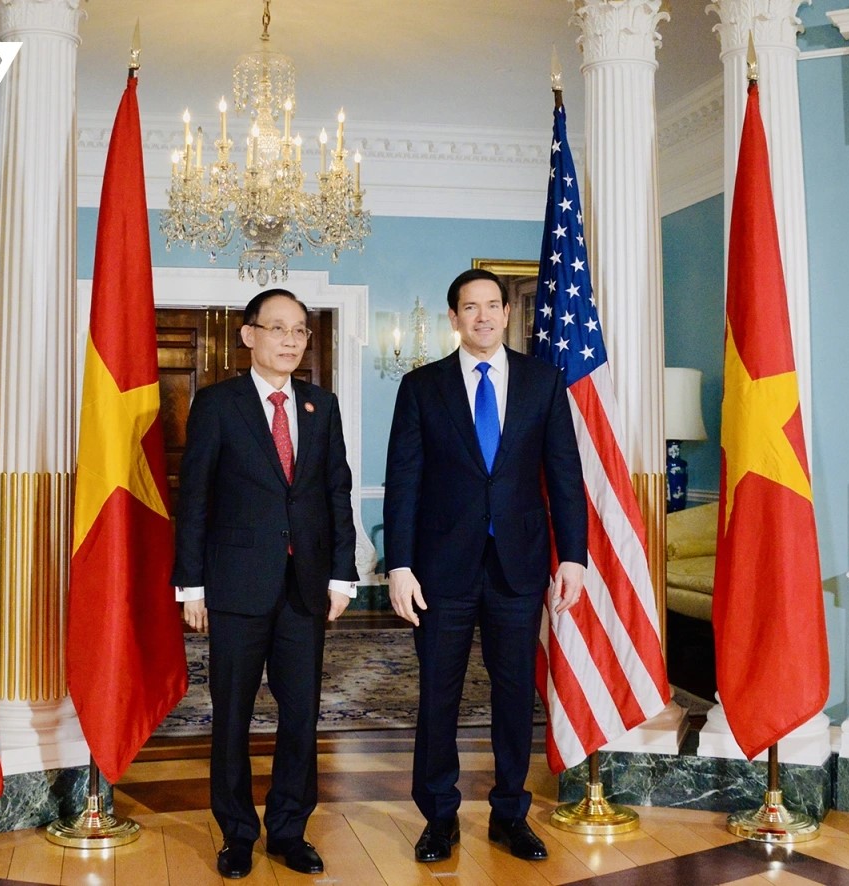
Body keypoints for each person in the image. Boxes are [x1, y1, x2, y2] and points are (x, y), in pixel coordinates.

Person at [384, 268, 587, 863]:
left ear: (507, 313)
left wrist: (573, 557)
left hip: (518, 568)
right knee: (438, 695)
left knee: (514, 695)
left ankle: (510, 815)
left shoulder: (543, 381)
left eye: (493, 305)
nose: (483, 316)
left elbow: (564, 475)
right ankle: (438, 818)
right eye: (470, 307)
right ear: (454, 317)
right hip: (440, 571)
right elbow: (404, 481)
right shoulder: (421, 387)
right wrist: (400, 565)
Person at [172, 288, 358, 879]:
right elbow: (195, 499)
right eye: (277, 328)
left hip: (306, 587)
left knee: (301, 714)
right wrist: (191, 586)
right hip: (234, 587)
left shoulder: (321, 405)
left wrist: (342, 574)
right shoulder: (217, 404)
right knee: (231, 714)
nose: (290, 340)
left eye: (300, 330)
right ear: (248, 335)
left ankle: (288, 830)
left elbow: (336, 492)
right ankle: (236, 834)